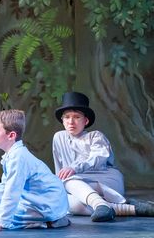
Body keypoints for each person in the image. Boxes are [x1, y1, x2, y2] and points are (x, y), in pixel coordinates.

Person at [52, 91, 154, 222]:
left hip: (105, 180)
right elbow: (60, 170)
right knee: (66, 203)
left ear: (86, 120)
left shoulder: (95, 136)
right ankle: (132, 209)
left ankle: (100, 204)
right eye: (67, 117)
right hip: (78, 187)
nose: (71, 121)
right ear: (62, 120)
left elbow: (98, 157)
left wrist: (74, 168)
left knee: (68, 181)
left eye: (76, 117)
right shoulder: (59, 137)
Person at [0, 109, 70, 232]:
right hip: (38, 201)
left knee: (5, 218)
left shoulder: (18, 157)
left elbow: (12, 192)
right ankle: (43, 219)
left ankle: (50, 221)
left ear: (11, 135)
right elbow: (4, 187)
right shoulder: (11, 155)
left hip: (48, 205)